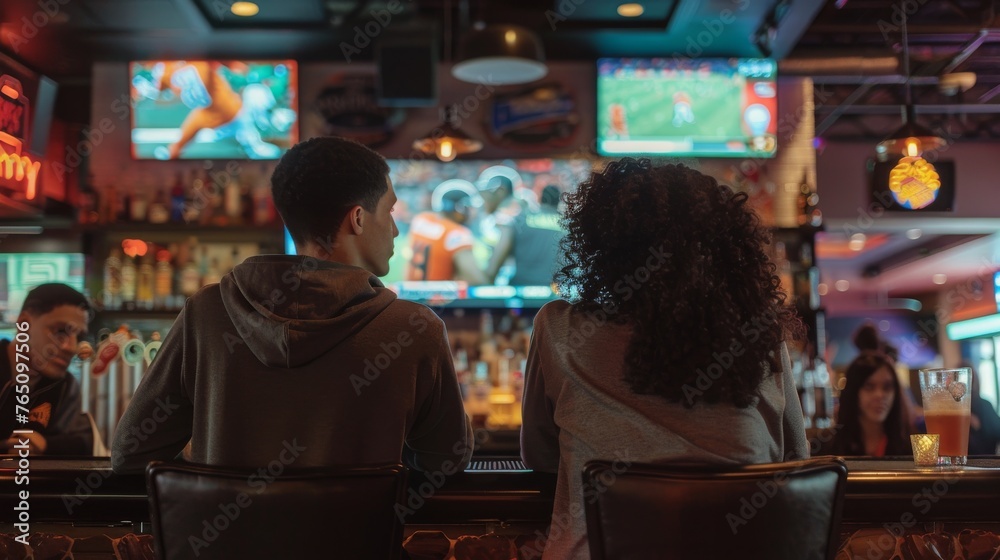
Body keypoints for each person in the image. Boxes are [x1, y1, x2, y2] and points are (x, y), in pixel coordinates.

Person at [111, 136, 473, 474]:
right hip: (362, 543)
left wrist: (202, 467)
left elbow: (132, 453)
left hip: (226, 542)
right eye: (390, 212)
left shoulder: (206, 313)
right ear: (358, 219)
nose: (395, 230)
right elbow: (446, 462)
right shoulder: (413, 328)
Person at [519, 158, 808, 560]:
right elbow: (795, 459)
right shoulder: (758, 333)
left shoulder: (559, 329)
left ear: (602, 245)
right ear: (723, 245)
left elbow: (540, 456)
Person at [1, 283, 93, 455]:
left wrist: (45, 445)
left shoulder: (66, 387)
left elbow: (85, 443)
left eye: (79, 336)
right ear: (23, 324)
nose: (72, 348)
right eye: (60, 331)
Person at [823, 353, 911, 457]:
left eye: (887, 387)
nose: (880, 395)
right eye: (869, 386)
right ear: (853, 392)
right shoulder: (829, 445)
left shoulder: (911, 446)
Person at [405, 180, 488, 285]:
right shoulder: (457, 234)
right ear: (459, 208)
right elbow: (478, 281)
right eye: (470, 207)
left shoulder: (421, 219)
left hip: (409, 295)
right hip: (437, 298)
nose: (473, 213)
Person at [485, 185, 566, 286]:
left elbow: (502, 249)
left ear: (541, 199)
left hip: (523, 286)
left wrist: (488, 282)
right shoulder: (567, 225)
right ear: (559, 201)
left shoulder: (522, 218)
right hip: (555, 290)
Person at [964, 363, 1000, 455]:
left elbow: (995, 433)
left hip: (982, 459)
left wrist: (977, 426)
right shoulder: (950, 409)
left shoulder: (984, 405)